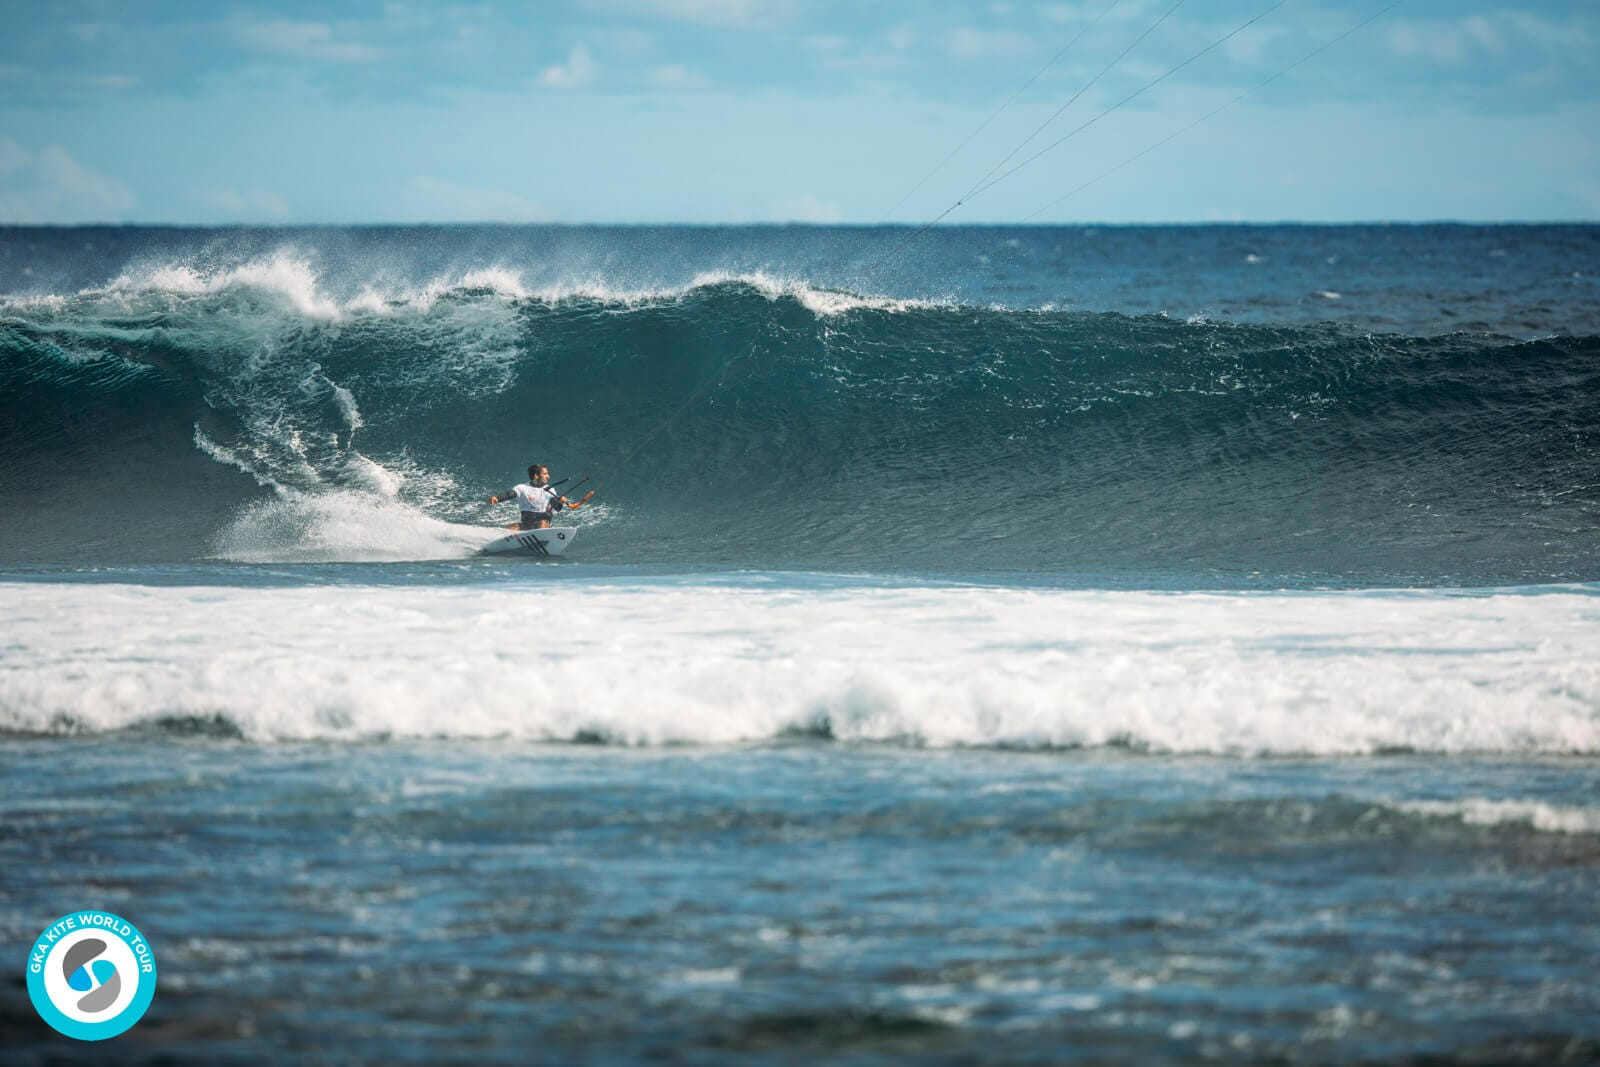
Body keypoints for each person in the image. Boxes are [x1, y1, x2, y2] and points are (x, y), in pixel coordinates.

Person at [489, 464, 570, 530]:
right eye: (545, 474)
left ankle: (541, 536)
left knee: (542, 523)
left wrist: (561, 502)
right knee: (511, 528)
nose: (548, 476)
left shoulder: (550, 489)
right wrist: (498, 498)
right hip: (528, 522)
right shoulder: (522, 487)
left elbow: (557, 508)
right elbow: (510, 494)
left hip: (543, 522)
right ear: (536, 476)